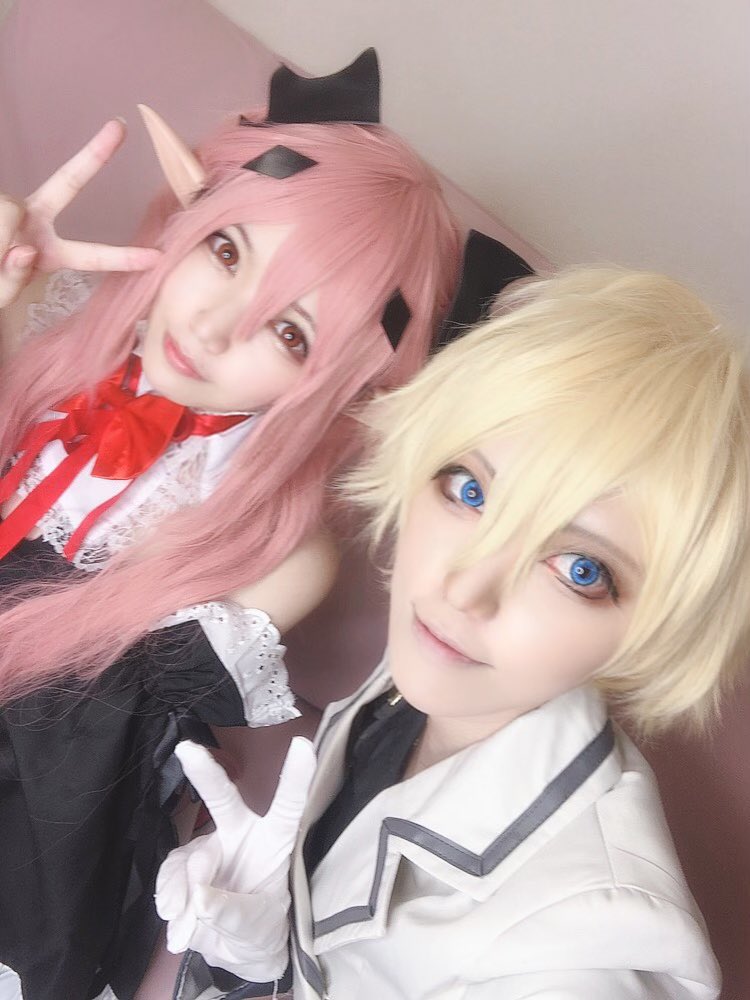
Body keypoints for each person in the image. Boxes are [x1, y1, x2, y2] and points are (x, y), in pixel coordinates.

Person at [0, 50, 461, 1000]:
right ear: (188, 216)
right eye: (225, 251)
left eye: (289, 332)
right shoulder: (54, 350)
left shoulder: (279, 555)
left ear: (335, 385)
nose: (213, 328)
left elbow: (75, 741)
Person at [157, 265, 750, 1000]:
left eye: (580, 570)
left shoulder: (581, 956)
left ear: (660, 625)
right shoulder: (434, 683)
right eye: (469, 490)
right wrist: (256, 950)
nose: (464, 590)